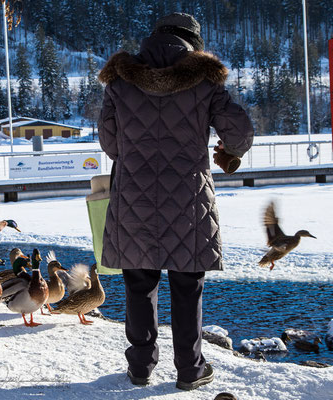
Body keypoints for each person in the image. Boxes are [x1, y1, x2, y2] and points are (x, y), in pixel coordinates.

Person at [97, 13, 253, 391]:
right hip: (188, 199)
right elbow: (241, 130)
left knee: (138, 284)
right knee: (187, 285)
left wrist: (137, 154)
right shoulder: (205, 79)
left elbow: (110, 144)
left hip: (133, 197)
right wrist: (229, 152)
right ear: (192, 43)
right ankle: (190, 369)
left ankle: (140, 368)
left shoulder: (120, 80)